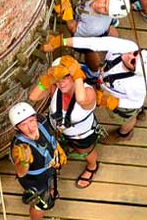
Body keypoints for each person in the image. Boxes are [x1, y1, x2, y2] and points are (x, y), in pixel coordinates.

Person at [42, 34, 147, 143]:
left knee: (127, 118)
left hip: (125, 101)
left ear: (135, 71)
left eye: (133, 62)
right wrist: (62, 41)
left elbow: (136, 102)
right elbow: (96, 43)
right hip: (104, 81)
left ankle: (124, 133)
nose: (129, 55)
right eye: (136, 53)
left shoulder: (138, 86)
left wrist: (112, 101)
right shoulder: (129, 47)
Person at [29, 56, 100, 189]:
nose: (61, 83)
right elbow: (33, 96)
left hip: (80, 134)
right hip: (57, 129)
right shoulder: (55, 88)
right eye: (58, 78)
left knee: (85, 151)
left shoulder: (88, 92)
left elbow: (81, 100)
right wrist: (47, 80)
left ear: (74, 76)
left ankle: (92, 166)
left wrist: (77, 74)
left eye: (66, 77)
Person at [9, 101, 66, 220]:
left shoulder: (42, 121)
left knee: (49, 187)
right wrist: (23, 162)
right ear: (17, 128)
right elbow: (21, 173)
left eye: (31, 120)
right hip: (34, 179)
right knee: (40, 204)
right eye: (24, 124)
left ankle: (50, 189)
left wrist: (58, 149)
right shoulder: (19, 147)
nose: (30, 127)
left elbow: (51, 137)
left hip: (49, 168)